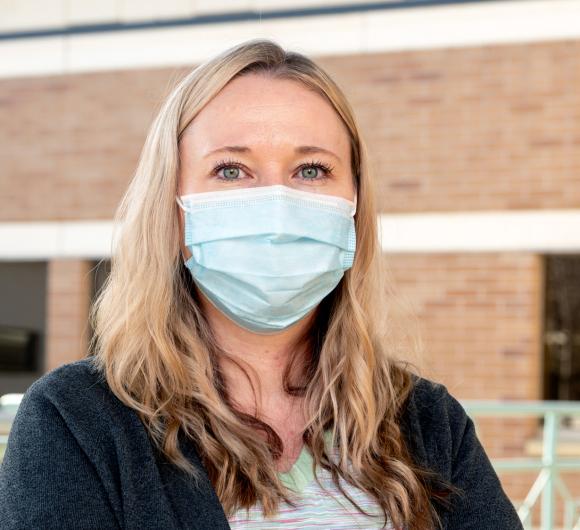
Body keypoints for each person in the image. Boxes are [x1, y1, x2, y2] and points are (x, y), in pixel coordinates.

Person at [0, 38, 523, 530]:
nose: (277, 206)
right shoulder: (75, 423)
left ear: (354, 208)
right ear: (172, 211)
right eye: (231, 170)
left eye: (312, 170)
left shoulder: (429, 423)